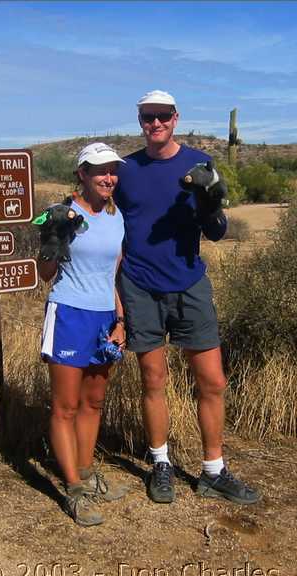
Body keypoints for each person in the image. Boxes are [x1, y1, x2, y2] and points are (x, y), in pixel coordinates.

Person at [113, 90, 260, 505]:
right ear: (139, 120)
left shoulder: (199, 164)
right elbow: (114, 231)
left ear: (175, 118)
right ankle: (160, 463)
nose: (154, 123)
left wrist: (210, 206)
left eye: (162, 116)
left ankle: (213, 470)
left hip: (190, 284)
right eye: (147, 117)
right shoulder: (127, 170)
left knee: (212, 380)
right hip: (140, 285)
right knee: (152, 379)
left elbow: (215, 231)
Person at [37, 142, 129, 526]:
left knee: (93, 403)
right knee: (65, 407)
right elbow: (44, 276)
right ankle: (72, 489)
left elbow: (114, 275)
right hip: (70, 313)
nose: (108, 177)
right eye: (99, 171)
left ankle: (87, 473)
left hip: (104, 316)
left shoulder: (115, 216)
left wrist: (121, 321)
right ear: (82, 174)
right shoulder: (62, 214)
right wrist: (55, 240)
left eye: (112, 171)